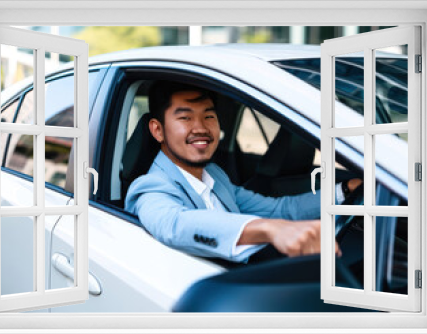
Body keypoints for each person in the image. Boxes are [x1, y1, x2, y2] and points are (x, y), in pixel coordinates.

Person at [125, 81, 362, 263]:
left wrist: (345, 189)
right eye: (185, 118)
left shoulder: (215, 176)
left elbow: (281, 210)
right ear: (157, 130)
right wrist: (270, 229)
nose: (201, 128)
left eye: (209, 116)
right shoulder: (150, 186)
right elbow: (174, 224)